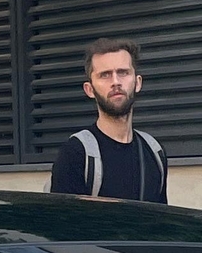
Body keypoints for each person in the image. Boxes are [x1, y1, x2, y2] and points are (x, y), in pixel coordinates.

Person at [49, 38, 168, 203]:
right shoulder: (77, 153)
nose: (116, 82)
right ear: (89, 89)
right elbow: (62, 224)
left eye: (123, 72)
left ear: (138, 82)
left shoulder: (155, 152)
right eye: (105, 75)